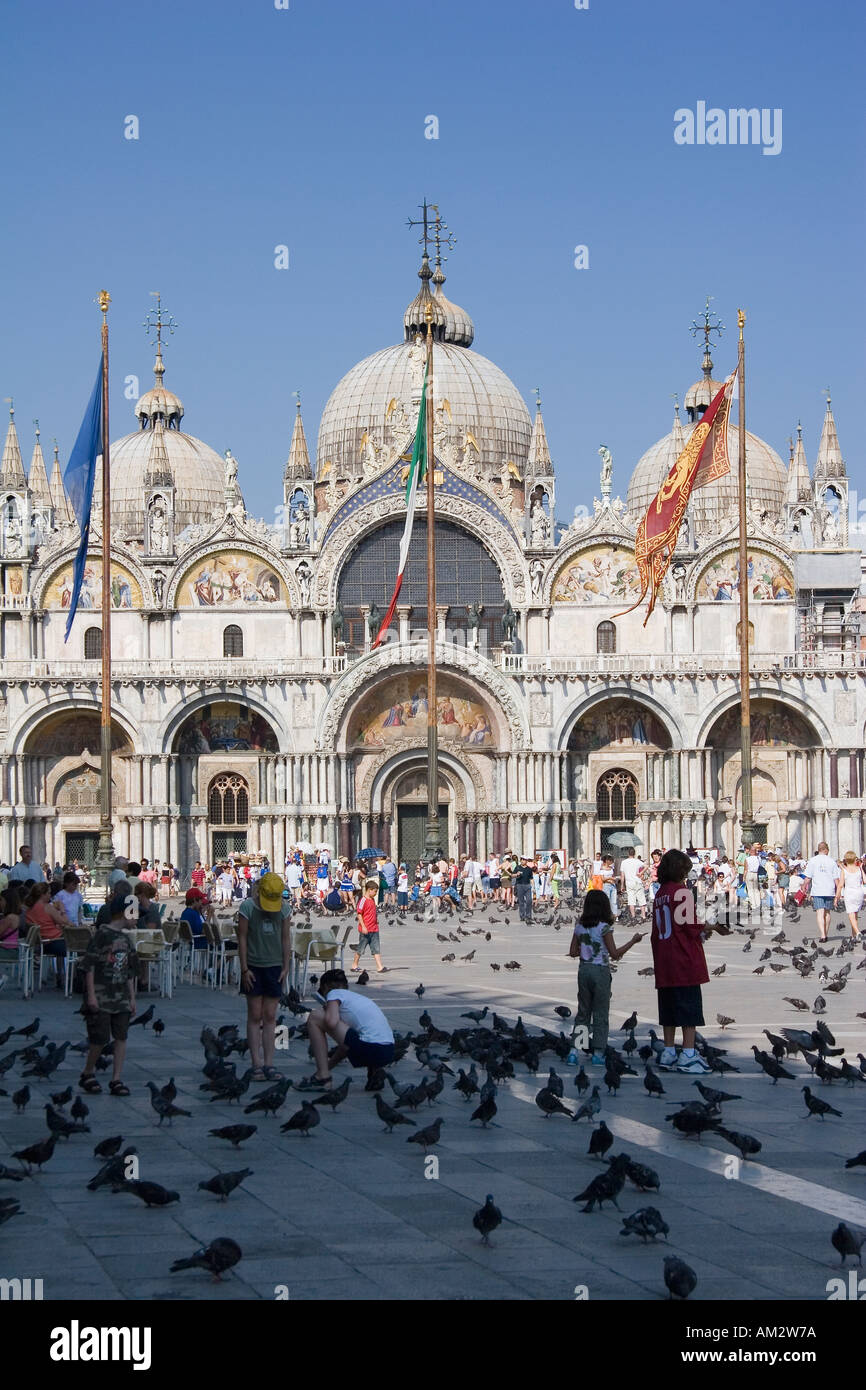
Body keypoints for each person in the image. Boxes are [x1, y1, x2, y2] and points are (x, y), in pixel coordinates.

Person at [651, 849, 730, 1074]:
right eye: (685, 869)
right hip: (683, 958)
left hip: (664, 958)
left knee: (668, 1008)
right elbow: (689, 924)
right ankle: (688, 1054)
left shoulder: (661, 893)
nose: (687, 874)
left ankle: (668, 1051)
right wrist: (714, 926)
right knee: (689, 1008)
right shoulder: (681, 892)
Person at [569, 888, 643, 1064]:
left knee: (583, 1012)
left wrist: (585, 949)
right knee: (600, 1013)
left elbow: (572, 951)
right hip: (600, 971)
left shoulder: (579, 926)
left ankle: (574, 1052)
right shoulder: (604, 928)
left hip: (584, 970)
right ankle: (598, 1053)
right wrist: (633, 941)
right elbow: (615, 954)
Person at [78, 893, 139, 1096]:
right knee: (99, 1038)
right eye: (135, 913)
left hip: (120, 995)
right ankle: (88, 1072)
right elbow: (89, 966)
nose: (138, 918)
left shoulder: (126, 939)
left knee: (121, 1036)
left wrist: (132, 998)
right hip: (102, 994)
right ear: (125, 913)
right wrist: (92, 996)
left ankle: (116, 1078)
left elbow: (130, 972)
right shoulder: (102, 935)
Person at [236, 872, 292, 1082]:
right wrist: (244, 968)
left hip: (274, 967)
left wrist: (286, 967)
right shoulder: (247, 908)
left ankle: (269, 1063)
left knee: (270, 1016)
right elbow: (241, 937)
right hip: (253, 965)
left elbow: (286, 939)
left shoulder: (284, 908)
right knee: (254, 1014)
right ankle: (256, 1063)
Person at [299, 967, 395, 1090]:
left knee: (314, 1017)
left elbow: (331, 1022)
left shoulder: (333, 993)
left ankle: (322, 1079)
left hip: (371, 1048)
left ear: (326, 987)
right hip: (387, 1051)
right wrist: (326, 1068)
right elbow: (345, 1046)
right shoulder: (357, 999)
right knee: (366, 1034)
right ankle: (374, 1073)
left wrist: (328, 1009)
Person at [25, 881, 68, 987]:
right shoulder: (47, 907)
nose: (50, 895)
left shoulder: (30, 908)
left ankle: (60, 976)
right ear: (42, 895)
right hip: (54, 942)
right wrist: (62, 909)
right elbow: (64, 921)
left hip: (41, 943)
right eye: (48, 893)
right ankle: (73, 980)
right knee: (82, 947)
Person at [802, 841, 842, 942]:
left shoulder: (812, 861)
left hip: (818, 891)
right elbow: (836, 879)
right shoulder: (832, 861)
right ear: (826, 850)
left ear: (819, 849)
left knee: (820, 912)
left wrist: (804, 885)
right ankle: (826, 933)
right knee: (827, 912)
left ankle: (823, 935)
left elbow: (808, 877)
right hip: (829, 890)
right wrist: (839, 891)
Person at [351, 878, 386, 973]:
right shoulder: (363, 900)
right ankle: (354, 965)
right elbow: (359, 914)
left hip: (374, 928)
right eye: (375, 891)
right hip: (365, 929)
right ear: (369, 890)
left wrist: (376, 920)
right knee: (361, 948)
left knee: (376, 948)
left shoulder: (372, 900)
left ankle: (379, 967)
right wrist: (363, 926)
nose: (375, 893)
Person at [835, 850, 864, 939]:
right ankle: (853, 935)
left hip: (850, 893)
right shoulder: (859, 869)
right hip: (859, 893)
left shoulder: (844, 870)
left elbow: (840, 885)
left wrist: (837, 897)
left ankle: (858, 932)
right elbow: (865, 880)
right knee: (855, 914)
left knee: (851, 914)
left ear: (846, 860)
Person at [620, 848, 648, 922]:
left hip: (629, 883)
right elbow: (646, 866)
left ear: (628, 853)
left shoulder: (624, 862)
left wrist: (622, 885)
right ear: (634, 853)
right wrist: (641, 873)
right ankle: (643, 916)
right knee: (641, 899)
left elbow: (622, 875)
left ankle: (633, 917)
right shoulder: (637, 861)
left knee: (631, 901)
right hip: (637, 882)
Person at [180, 887, 210, 954]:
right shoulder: (193, 914)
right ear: (194, 900)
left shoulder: (185, 912)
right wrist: (210, 915)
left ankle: (216, 964)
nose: (201, 902)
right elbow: (204, 931)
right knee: (233, 946)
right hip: (200, 943)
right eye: (200, 900)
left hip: (192, 943)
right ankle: (217, 964)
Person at [514, 856, 535, 923]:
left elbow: (531, 878)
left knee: (529, 900)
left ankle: (528, 916)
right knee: (521, 902)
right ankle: (522, 916)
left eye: (524, 860)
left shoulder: (529, 869)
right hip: (519, 885)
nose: (522, 861)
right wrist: (516, 874)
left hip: (527, 885)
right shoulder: (518, 867)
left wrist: (533, 887)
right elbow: (512, 875)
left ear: (526, 861)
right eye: (521, 859)